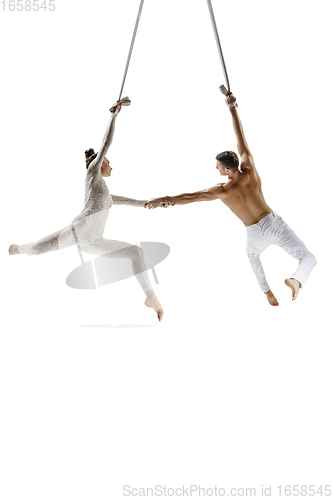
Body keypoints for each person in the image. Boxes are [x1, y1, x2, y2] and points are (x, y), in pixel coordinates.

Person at [145, 93, 316, 306]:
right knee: (308, 258)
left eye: (217, 166)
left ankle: (267, 293)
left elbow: (191, 197)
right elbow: (240, 139)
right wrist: (232, 107)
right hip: (273, 224)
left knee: (253, 258)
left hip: (254, 233)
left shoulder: (222, 190)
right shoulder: (250, 170)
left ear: (226, 169)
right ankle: (296, 280)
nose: (215, 169)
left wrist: (164, 199)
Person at [9, 101, 163, 321]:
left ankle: (151, 298)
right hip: (78, 231)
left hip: (93, 242)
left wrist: (150, 203)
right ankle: (17, 248)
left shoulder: (105, 195)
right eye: (108, 162)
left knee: (135, 253)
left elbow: (130, 201)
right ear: (99, 164)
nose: (111, 165)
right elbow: (106, 142)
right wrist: (114, 115)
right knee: (36, 250)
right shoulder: (93, 174)